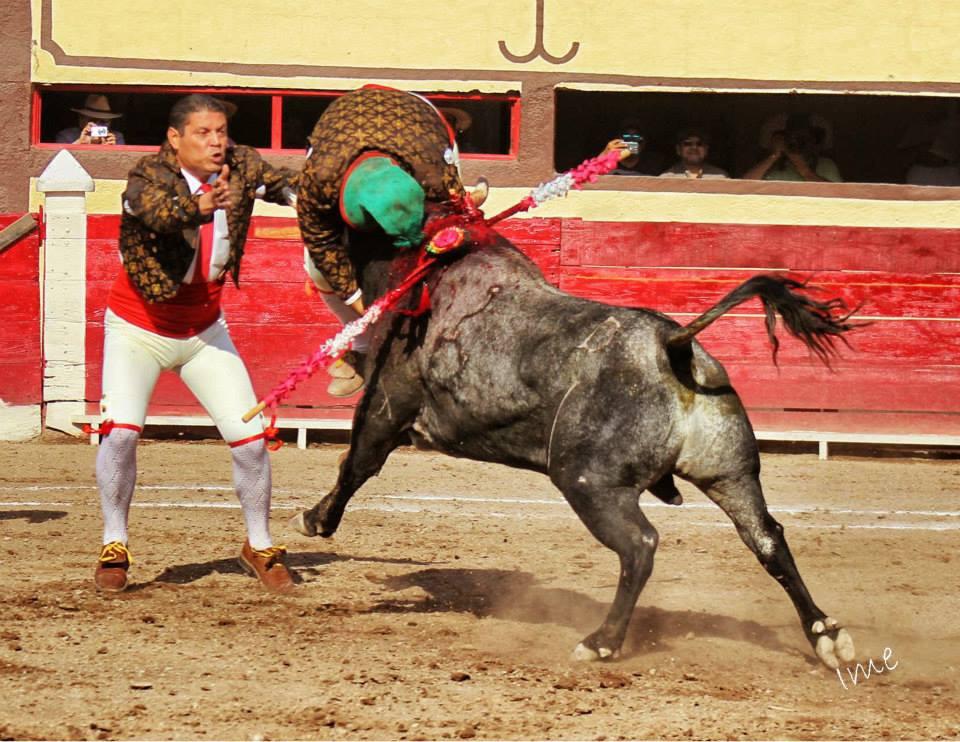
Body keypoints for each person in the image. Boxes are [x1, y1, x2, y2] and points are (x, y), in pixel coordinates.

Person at [92, 94, 299, 594]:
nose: (216, 142)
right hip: (138, 327)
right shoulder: (147, 174)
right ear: (175, 138)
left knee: (250, 441)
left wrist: (325, 196)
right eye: (204, 133)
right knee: (120, 433)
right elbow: (157, 214)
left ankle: (259, 543)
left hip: (205, 328)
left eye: (221, 131)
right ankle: (114, 541)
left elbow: (287, 185)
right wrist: (199, 206)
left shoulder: (242, 164)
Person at [298, 85, 482, 398]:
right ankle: (361, 348)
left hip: (420, 128)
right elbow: (322, 247)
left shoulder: (433, 169)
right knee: (315, 266)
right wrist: (363, 310)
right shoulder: (317, 180)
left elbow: (453, 206)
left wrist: (461, 208)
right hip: (344, 128)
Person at [743, 113, 842, 182]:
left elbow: (836, 196)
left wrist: (804, 169)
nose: (796, 142)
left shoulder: (826, 165)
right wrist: (774, 155)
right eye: (791, 137)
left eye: (803, 138)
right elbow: (743, 187)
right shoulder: (771, 165)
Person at [598, 121, 666, 176]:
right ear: (618, 140)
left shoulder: (654, 163)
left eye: (636, 136)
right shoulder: (608, 164)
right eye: (626, 136)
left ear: (644, 142)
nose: (631, 140)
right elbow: (590, 177)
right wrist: (603, 156)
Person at [659, 126, 728, 179]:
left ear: (706, 149)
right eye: (688, 144)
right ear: (678, 150)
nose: (694, 147)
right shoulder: (667, 177)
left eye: (699, 144)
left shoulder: (720, 177)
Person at [56, 93, 126, 146]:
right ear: (81, 119)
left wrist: (112, 150)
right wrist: (79, 143)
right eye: (93, 120)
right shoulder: (66, 136)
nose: (98, 125)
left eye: (104, 121)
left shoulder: (116, 137)